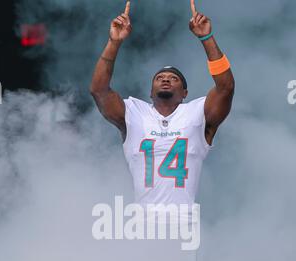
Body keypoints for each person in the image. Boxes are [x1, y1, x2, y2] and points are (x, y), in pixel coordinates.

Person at [90, 0, 235, 228]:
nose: (166, 79)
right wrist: (113, 43)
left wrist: (206, 39)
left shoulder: (197, 113)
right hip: (141, 223)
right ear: (150, 91)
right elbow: (98, 90)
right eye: (159, 78)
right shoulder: (134, 111)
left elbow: (225, 88)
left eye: (174, 78)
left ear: (185, 92)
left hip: (182, 223)